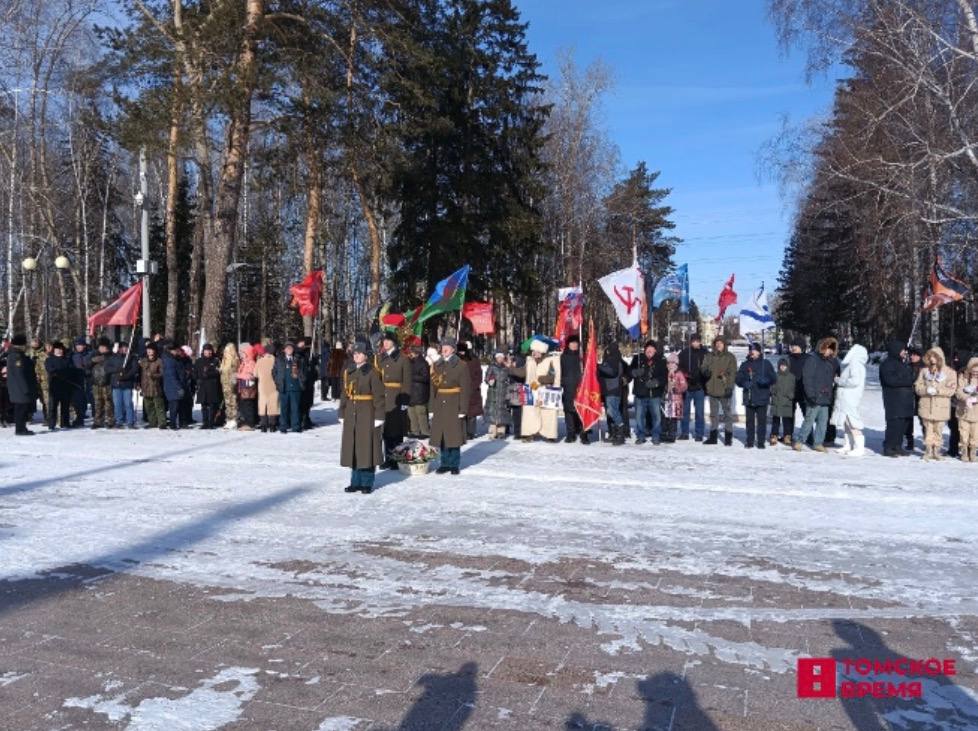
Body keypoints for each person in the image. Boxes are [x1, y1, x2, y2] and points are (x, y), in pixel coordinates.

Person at [340, 340, 386, 493]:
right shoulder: (349, 371)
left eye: (359, 353)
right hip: (352, 414)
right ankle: (355, 481)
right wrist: (342, 412)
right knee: (353, 448)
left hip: (367, 414)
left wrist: (379, 416)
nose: (356, 356)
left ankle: (367, 482)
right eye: (355, 353)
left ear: (366, 356)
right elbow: (345, 394)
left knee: (366, 448)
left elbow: (379, 396)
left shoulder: (372, 372)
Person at [429, 338, 471, 475]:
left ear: (453, 349)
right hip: (440, 403)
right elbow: (433, 388)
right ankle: (444, 463)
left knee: (454, 435)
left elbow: (465, 388)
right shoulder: (437, 365)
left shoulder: (461, 365)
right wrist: (431, 407)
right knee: (442, 435)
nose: (444, 349)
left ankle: (454, 464)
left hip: (454, 403)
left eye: (448, 346)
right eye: (443, 346)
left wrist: (463, 408)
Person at [793, 337, 839, 453]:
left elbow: (830, 380)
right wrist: (811, 395)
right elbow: (807, 379)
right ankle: (799, 441)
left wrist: (830, 394)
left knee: (823, 422)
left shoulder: (830, 361)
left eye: (832, 350)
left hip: (825, 397)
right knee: (809, 420)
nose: (831, 352)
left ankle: (818, 443)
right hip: (814, 397)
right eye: (829, 349)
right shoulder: (812, 359)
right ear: (823, 347)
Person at [511, 339, 561, 442]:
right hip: (532, 390)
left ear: (542, 352)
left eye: (537, 351)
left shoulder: (550, 361)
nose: (534, 353)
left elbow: (552, 376)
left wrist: (540, 380)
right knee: (529, 412)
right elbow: (522, 373)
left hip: (546, 391)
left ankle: (549, 435)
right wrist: (510, 368)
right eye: (533, 351)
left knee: (548, 413)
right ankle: (528, 433)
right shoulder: (530, 361)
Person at [914, 346, 957, 461]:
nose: (932, 359)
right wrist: (926, 390)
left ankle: (936, 450)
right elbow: (918, 387)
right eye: (930, 356)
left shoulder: (950, 372)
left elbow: (952, 390)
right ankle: (928, 450)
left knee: (938, 429)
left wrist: (938, 391)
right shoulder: (924, 371)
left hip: (941, 407)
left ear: (940, 358)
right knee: (928, 429)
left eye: (934, 356)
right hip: (926, 405)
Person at [377, 332, 412, 467]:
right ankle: (388, 458)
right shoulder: (381, 358)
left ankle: (397, 459)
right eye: (383, 341)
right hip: (384, 397)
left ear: (394, 342)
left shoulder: (403, 359)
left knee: (396, 431)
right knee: (385, 431)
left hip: (397, 397)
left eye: (387, 341)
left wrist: (404, 400)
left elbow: (407, 382)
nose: (384, 343)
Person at [830, 344, 868, 457]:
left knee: (852, 421)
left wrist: (839, 381)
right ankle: (848, 445)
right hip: (847, 397)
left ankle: (859, 447)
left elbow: (854, 381)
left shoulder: (855, 364)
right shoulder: (854, 364)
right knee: (846, 422)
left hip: (850, 398)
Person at [878, 340, 915, 457]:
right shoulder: (887, 364)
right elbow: (891, 381)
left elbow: (911, 376)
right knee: (894, 424)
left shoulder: (903, 363)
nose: (904, 352)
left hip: (905, 400)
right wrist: (908, 382)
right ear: (896, 350)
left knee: (903, 424)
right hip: (893, 400)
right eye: (902, 350)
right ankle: (889, 447)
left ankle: (898, 446)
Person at [735, 342, 776, 448]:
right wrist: (743, 382)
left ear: (759, 352)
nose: (752, 352)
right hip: (749, 397)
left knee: (762, 421)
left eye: (755, 350)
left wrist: (766, 381)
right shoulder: (745, 364)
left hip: (762, 396)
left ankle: (761, 441)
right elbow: (738, 379)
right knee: (750, 421)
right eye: (751, 350)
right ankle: (750, 440)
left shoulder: (766, 364)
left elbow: (774, 378)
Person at [701, 336, 737, 446]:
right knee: (713, 414)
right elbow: (703, 367)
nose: (718, 345)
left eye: (721, 343)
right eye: (717, 343)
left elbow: (732, 374)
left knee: (727, 414)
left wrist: (729, 387)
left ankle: (728, 437)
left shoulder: (730, 357)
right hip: (712, 388)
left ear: (724, 344)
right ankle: (713, 437)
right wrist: (705, 371)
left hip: (724, 389)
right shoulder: (709, 356)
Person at [630, 341, 667, 445]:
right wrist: (634, 372)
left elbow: (664, 377)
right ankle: (641, 436)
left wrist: (656, 382)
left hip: (654, 394)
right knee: (638, 417)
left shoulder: (661, 361)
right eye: (647, 349)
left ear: (655, 350)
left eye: (652, 349)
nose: (649, 351)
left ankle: (656, 436)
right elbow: (629, 371)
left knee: (656, 417)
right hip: (640, 394)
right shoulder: (638, 359)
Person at [5, 334, 38, 435]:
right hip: (20, 388)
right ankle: (20, 429)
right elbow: (19, 374)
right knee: (21, 410)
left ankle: (21, 427)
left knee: (21, 409)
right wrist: (25, 388)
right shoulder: (16, 356)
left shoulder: (17, 355)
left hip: (18, 388)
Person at [559, 335, 588, 444]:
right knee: (569, 411)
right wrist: (562, 382)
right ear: (568, 344)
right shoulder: (563, 357)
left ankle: (584, 434)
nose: (575, 345)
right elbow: (559, 371)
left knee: (582, 411)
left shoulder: (582, 357)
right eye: (572, 343)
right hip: (568, 387)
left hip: (581, 388)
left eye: (576, 343)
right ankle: (570, 434)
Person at [677, 333, 707, 441]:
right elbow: (678, 367)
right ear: (690, 342)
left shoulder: (705, 353)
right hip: (686, 387)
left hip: (699, 387)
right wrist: (685, 374)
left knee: (699, 412)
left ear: (700, 342)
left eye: (697, 341)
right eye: (693, 341)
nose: (695, 343)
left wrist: (703, 375)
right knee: (685, 412)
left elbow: (708, 368)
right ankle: (684, 432)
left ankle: (699, 433)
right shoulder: (684, 353)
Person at [274, 341, 306, 433]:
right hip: (284, 388)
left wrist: (302, 379)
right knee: (284, 409)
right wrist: (277, 381)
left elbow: (303, 371)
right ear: (284, 350)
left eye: (291, 348)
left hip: (296, 388)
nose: (289, 350)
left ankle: (296, 426)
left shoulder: (298, 359)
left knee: (295, 409)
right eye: (287, 348)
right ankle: (283, 426)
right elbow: (274, 372)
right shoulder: (279, 359)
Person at [106, 341, 140, 429]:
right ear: (119, 349)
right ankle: (119, 421)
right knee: (117, 404)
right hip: (116, 384)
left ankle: (130, 421)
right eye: (123, 347)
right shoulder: (113, 358)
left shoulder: (132, 358)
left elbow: (134, 369)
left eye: (126, 347)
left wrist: (126, 376)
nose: (125, 349)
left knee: (128, 403)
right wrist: (117, 369)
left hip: (127, 384)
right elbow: (107, 368)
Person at [598, 343, 626, 445]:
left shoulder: (614, 359)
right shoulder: (612, 359)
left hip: (613, 390)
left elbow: (612, 372)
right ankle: (614, 433)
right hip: (609, 389)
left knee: (612, 411)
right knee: (611, 412)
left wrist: (598, 367)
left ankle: (620, 434)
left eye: (608, 350)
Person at [45, 341, 76, 429]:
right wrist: (60, 373)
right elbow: (50, 370)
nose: (59, 351)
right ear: (54, 350)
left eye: (61, 349)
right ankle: (51, 424)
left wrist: (66, 374)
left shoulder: (67, 359)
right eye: (57, 349)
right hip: (54, 387)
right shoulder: (49, 359)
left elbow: (71, 370)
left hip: (66, 387)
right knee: (52, 407)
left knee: (65, 406)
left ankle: (65, 423)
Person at [484, 351, 512, 439]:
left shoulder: (506, 367)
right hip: (493, 391)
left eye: (501, 357)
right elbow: (486, 377)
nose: (500, 359)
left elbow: (510, 377)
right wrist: (490, 380)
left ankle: (501, 431)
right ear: (496, 358)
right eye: (498, 357)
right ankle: (492, 431)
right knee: (492, 410)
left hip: (504, 391)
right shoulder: (492, 366)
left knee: (502, 410)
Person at [194, 343, 222, 430]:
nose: (209, 352)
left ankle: (211, 422)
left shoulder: (215, 360)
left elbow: (218, 372)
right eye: (207, 351)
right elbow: (195, 372)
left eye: (210, 351)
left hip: (212, 386)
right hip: (202, 386)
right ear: (203, 351)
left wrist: (209, 374)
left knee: (212, 405)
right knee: (204, 405)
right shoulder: (199, 361)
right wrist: (197, 379)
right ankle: (205, 422)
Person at [458, 342, 484, 439]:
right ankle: (462, 432)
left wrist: (473, 386)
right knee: (462, 412)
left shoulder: (474, 360)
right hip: (460, 389)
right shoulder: (457, 360)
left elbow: (479, 375)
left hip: (472, 390)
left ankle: (470, 432)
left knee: (472, 413)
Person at [769, 358, 796, 446]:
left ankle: (787, 436)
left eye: (784, 366)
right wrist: (773, 391)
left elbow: (794, 388)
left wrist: (791, 395)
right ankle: (774, 435)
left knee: (787, 420)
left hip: (787, 401)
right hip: (777, 400)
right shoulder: (775, 375)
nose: (783, 367)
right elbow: (771, 387)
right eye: (781, 366)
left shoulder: (792, 377)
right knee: (775, 420)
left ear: (787, 366)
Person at [955, 357, 978, 462]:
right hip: (963, 411)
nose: (975, 372)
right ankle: (964, 451)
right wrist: (967, 398)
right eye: (973, 370)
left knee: (975, 434)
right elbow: (958, 392)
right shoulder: (963, 377)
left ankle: (973, 451)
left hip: (976, 413)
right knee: (964, 433)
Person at [162, 342, 190, 429]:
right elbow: (172, 376)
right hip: (173, 387)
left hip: (179, 385)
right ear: (171, 351)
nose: (178, 352)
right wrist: (179, 387)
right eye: (176, 350)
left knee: (181, 405)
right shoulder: (169, 360)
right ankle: (173, 424)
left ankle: (182, 422)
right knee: (174, 406)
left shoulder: (176, 359)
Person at [661, 353, 687, 443]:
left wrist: (677, 388)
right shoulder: (666, 373)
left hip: (676, 399)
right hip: (667, 398)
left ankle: (672, 434)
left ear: (676, 364)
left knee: (673, 419)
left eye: (673, 363)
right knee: (665, 417)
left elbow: (684, 386)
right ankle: (664, 433)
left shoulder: (679, 374)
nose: (670, 365)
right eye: (668, 363)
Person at [139, 343, 166, 429]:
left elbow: (162, 373)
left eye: (151, 350)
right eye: (148, 350)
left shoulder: (159, 361)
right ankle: (152, 422)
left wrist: (153, 375)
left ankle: (162, 422)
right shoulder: (143, 361)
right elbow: (139, 373)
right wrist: (138, 383)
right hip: (145, 387)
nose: (149, 351)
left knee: (159, 406)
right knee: (148, 407)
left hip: (156, 387)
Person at [407, 342, 431, 438]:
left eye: (411, 352)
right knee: (411, 413)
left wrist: (413, 377)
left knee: (420, 413)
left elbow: (425, 378)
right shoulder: (410, 362)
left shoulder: (423, 363)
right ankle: (415, 430)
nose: (410, 354)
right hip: (411, 392)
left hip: (420, 392)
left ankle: (424, 431)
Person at [256, 342, 280, 432]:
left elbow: (255, 374)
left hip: (262, 386)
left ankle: (263, 426)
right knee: (273, 405)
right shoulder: (276, 360)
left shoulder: (260, 361)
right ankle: (272, 425)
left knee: (263, 405)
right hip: (274, 386)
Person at [787, 338, 808, 443]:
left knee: (807, 415)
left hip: (804, 392)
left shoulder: (808, 358)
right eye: (792, 345)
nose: (793, 348)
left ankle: (809, 436)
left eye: (796, 345)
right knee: (789, 415)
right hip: (791, 391)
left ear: (802, 347)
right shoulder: (788, 358)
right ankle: (788, 435)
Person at [296, 337, 317, 430]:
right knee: (302, 402)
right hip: (301, 381)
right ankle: (301, 420)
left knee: (308, 402)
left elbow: (314, 366)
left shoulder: (310, 353)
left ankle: (306, 419)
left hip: (309, 381)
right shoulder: (297, 353)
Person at [71, 336, 92, 425]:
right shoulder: (72, 355)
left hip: (87, 378)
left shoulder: (89, 354)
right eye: (77, 345)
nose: (79, 347)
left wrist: (87, 368)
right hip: (76, 380)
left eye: (80, 345)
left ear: (84, 346)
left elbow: (92, 365)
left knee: (87, 398)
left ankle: (83, 413)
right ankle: (79, 416)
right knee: (78, 399)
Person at [236, 344, 258, 430]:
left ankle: (250, 423)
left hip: (249, 388)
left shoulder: (251, 362)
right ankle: (245, 422)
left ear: (247, 353)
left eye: (242, 353)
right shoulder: (244, 363)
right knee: (244, 405)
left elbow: (250, 376)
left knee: (248, 405)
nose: (241, 355)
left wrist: (238, 375)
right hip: (243, 387)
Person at [906, 347, 924, 451]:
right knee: (908, 421)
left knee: (923, 421)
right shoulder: (907, 367)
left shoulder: (925, 368)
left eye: (914, 355)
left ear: (919, 356)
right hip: (909, 397)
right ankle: (910, 441)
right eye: (911, 355)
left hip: (921, 398)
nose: (912, 356)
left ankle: (927, 441)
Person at [220, 343, 239, 430]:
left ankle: (234, 419)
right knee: (227, 402)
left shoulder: (235, 360)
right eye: (225, 350)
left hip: (231, 383)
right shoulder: (224, 360)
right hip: (225, 384)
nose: (226, 352)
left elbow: (235, 372)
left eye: (228, 350)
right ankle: (229, 419)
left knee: (233, 401)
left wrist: (233, 383)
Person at [32, 338, 48, 423]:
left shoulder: (44, 353)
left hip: (42, 379)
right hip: (32, 379)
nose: (34, 344)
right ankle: (29, 415)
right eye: (33, 342)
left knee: (45, 399)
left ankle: (47, 417)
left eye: (36, 342)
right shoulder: (29, 352)